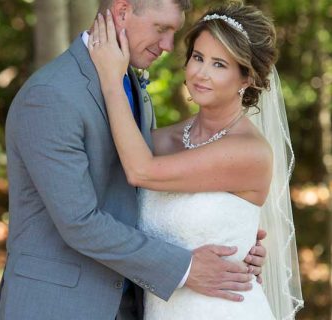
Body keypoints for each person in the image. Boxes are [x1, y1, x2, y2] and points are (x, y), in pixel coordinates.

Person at [0, 1, 268, 320]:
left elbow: (137, 198)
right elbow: (79, 222)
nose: (167, 46)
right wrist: (187, 267)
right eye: (161, 29)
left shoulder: (130, 86)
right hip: (58, 306)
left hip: (136, 305)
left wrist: (236, 238)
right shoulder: (51, 95)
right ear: (122, 12)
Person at [89, 1, 304, 319]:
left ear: (246, 77)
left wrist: (111, 81)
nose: (201, 73)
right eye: (198, 57)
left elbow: (140, 171)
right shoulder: (160, 140)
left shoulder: (250, 152)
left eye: (220, 65)